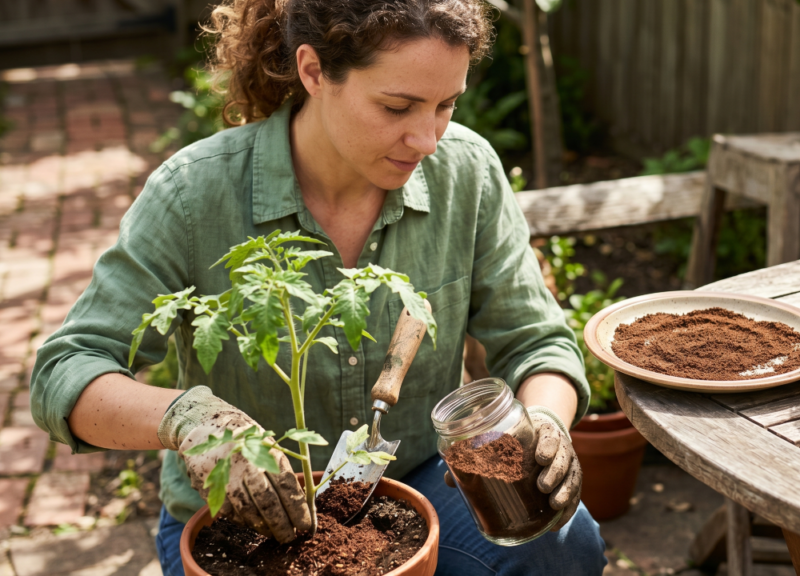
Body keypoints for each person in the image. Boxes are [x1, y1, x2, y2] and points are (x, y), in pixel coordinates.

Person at [29, 0, 608, 574]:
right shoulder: (193, 195)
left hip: (416, 485)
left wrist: (546, 423)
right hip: (243, 522)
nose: (427, 139)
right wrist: (190, 421)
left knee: (562, 545)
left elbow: (537, 343)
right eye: (397, 106)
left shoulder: (468, 172)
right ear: (313, 72)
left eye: (445, 106)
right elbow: (68, 370)